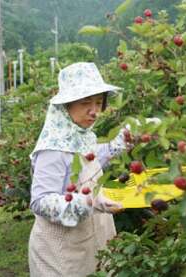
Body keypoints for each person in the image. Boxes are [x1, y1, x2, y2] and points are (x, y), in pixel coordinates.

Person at [28, 62, 131, 276]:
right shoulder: (53, 149)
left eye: (98, 103)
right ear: (66, 106)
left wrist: (119, 143)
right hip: (61, 252)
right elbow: (40, 201)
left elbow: (89, 162)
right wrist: (87, 202)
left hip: (87, 242)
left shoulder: (81, 135)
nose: (94, 111)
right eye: (86, 103)